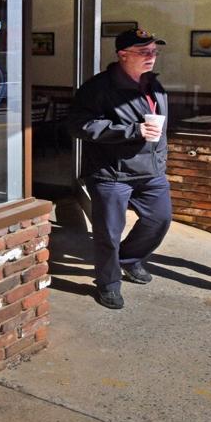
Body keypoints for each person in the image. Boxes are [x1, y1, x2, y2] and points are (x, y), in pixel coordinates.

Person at [66, 28, 171, 309]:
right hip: (111, 173)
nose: (151, 57)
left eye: (154, 52)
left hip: (151, 171)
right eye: (143, 52)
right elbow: (78, 125)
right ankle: (108, 283)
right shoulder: (98, 88)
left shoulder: (153, 84)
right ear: (122, 55)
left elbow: (160, 129)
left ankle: (128, 259)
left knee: (159, 220)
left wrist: (160, 158)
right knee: (108, 234)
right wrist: (131, 130)